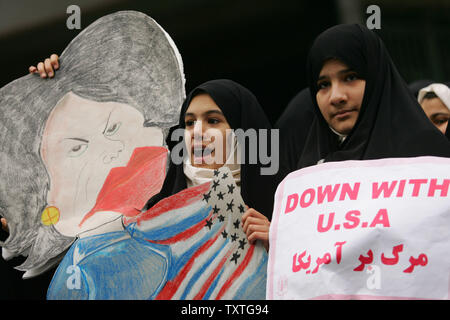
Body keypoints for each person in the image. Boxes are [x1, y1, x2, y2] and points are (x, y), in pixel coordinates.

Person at [144, 79, 283, 252]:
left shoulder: (286, 206)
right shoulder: (153, 217)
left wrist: (279, 244)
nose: (196, 132)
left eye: (213, 120)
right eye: (189, 123)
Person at [296, 24, 450, 170]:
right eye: (323, 85)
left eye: (350, 78)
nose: (336, 97)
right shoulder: (310, 169)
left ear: (377, 80)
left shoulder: (426, 151)